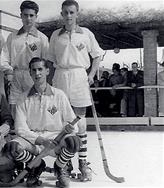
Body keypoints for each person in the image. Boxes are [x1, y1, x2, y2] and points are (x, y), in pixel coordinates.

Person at [47, 0, 104, 181]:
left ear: (77, 13)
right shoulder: (56, 35)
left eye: (72, 12)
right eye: (66, 12)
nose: (69, 16)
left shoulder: (86, 33)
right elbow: (50, 61)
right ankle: (65, 163)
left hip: (80, 76)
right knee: (63, 123)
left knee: (80, 122)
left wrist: (92, 74)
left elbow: (97, 55)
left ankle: (83, 163)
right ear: (62, 14)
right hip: (60, 76)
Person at [4, 57, 80, 188]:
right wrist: (40, 140)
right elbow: (20, 129)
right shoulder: (22, 97)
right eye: (34, 70)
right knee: (12, 148)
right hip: (33, 139)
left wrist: (69, 128)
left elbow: (73, 123)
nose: (37, 73)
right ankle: (36, 166)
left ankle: (60, 167)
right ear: (30, 73)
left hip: (56, 138)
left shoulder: (59, 95)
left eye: (40, 69)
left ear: (47, 71)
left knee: (74, 142)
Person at [5, 0, 49, 115]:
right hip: (16, 75)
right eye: (25, 15)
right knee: (15, 106)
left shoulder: (42, 38)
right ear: (21, 16)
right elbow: (5, 57)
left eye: (31, 15)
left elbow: (45, 60)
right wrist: (8, 72)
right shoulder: (12, 37)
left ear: (36, 17)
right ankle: (17, 130)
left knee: (33, 104)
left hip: (34, 75)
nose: (28, 18)